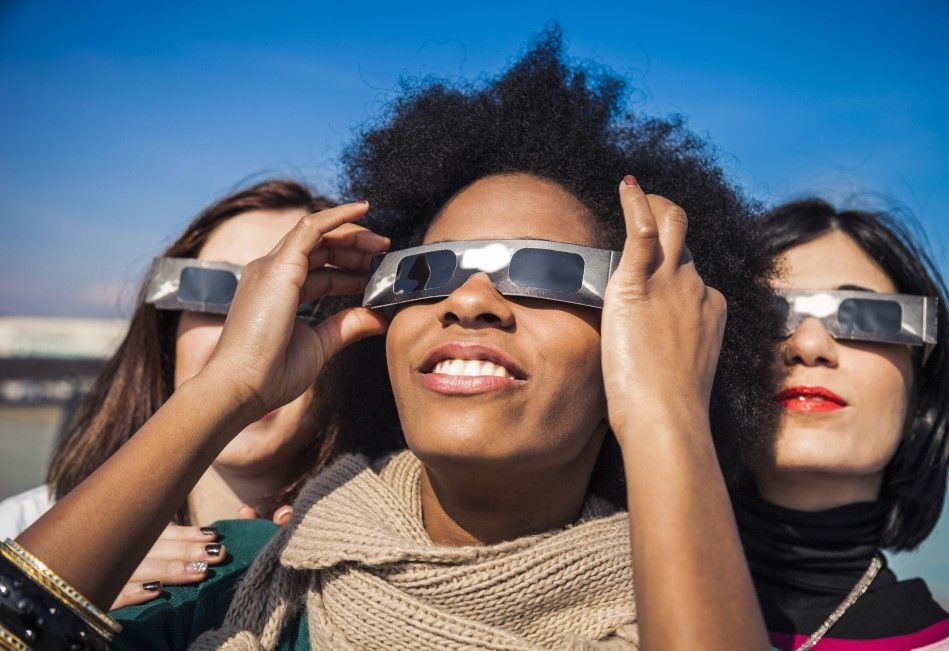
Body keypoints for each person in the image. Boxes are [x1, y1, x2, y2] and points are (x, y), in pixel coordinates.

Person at [5, 31, 779, 649]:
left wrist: (669, 415)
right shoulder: (225, 576)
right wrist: (228, 387)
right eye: (428, 271)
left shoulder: (697, 608)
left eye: (545, 272)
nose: (471, 299)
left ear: (642, 333)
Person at [0, 179, 337, 609]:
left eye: (300, 303)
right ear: (167, 333)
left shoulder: (384, 558)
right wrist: (67, 586)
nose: (250, 339)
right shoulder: (20, 527)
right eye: (214, 293)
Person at [737, 198, 949, 649]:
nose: (808, 344)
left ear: (920, 393)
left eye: (865, 316)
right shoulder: (597, 606)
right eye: (769, 313)